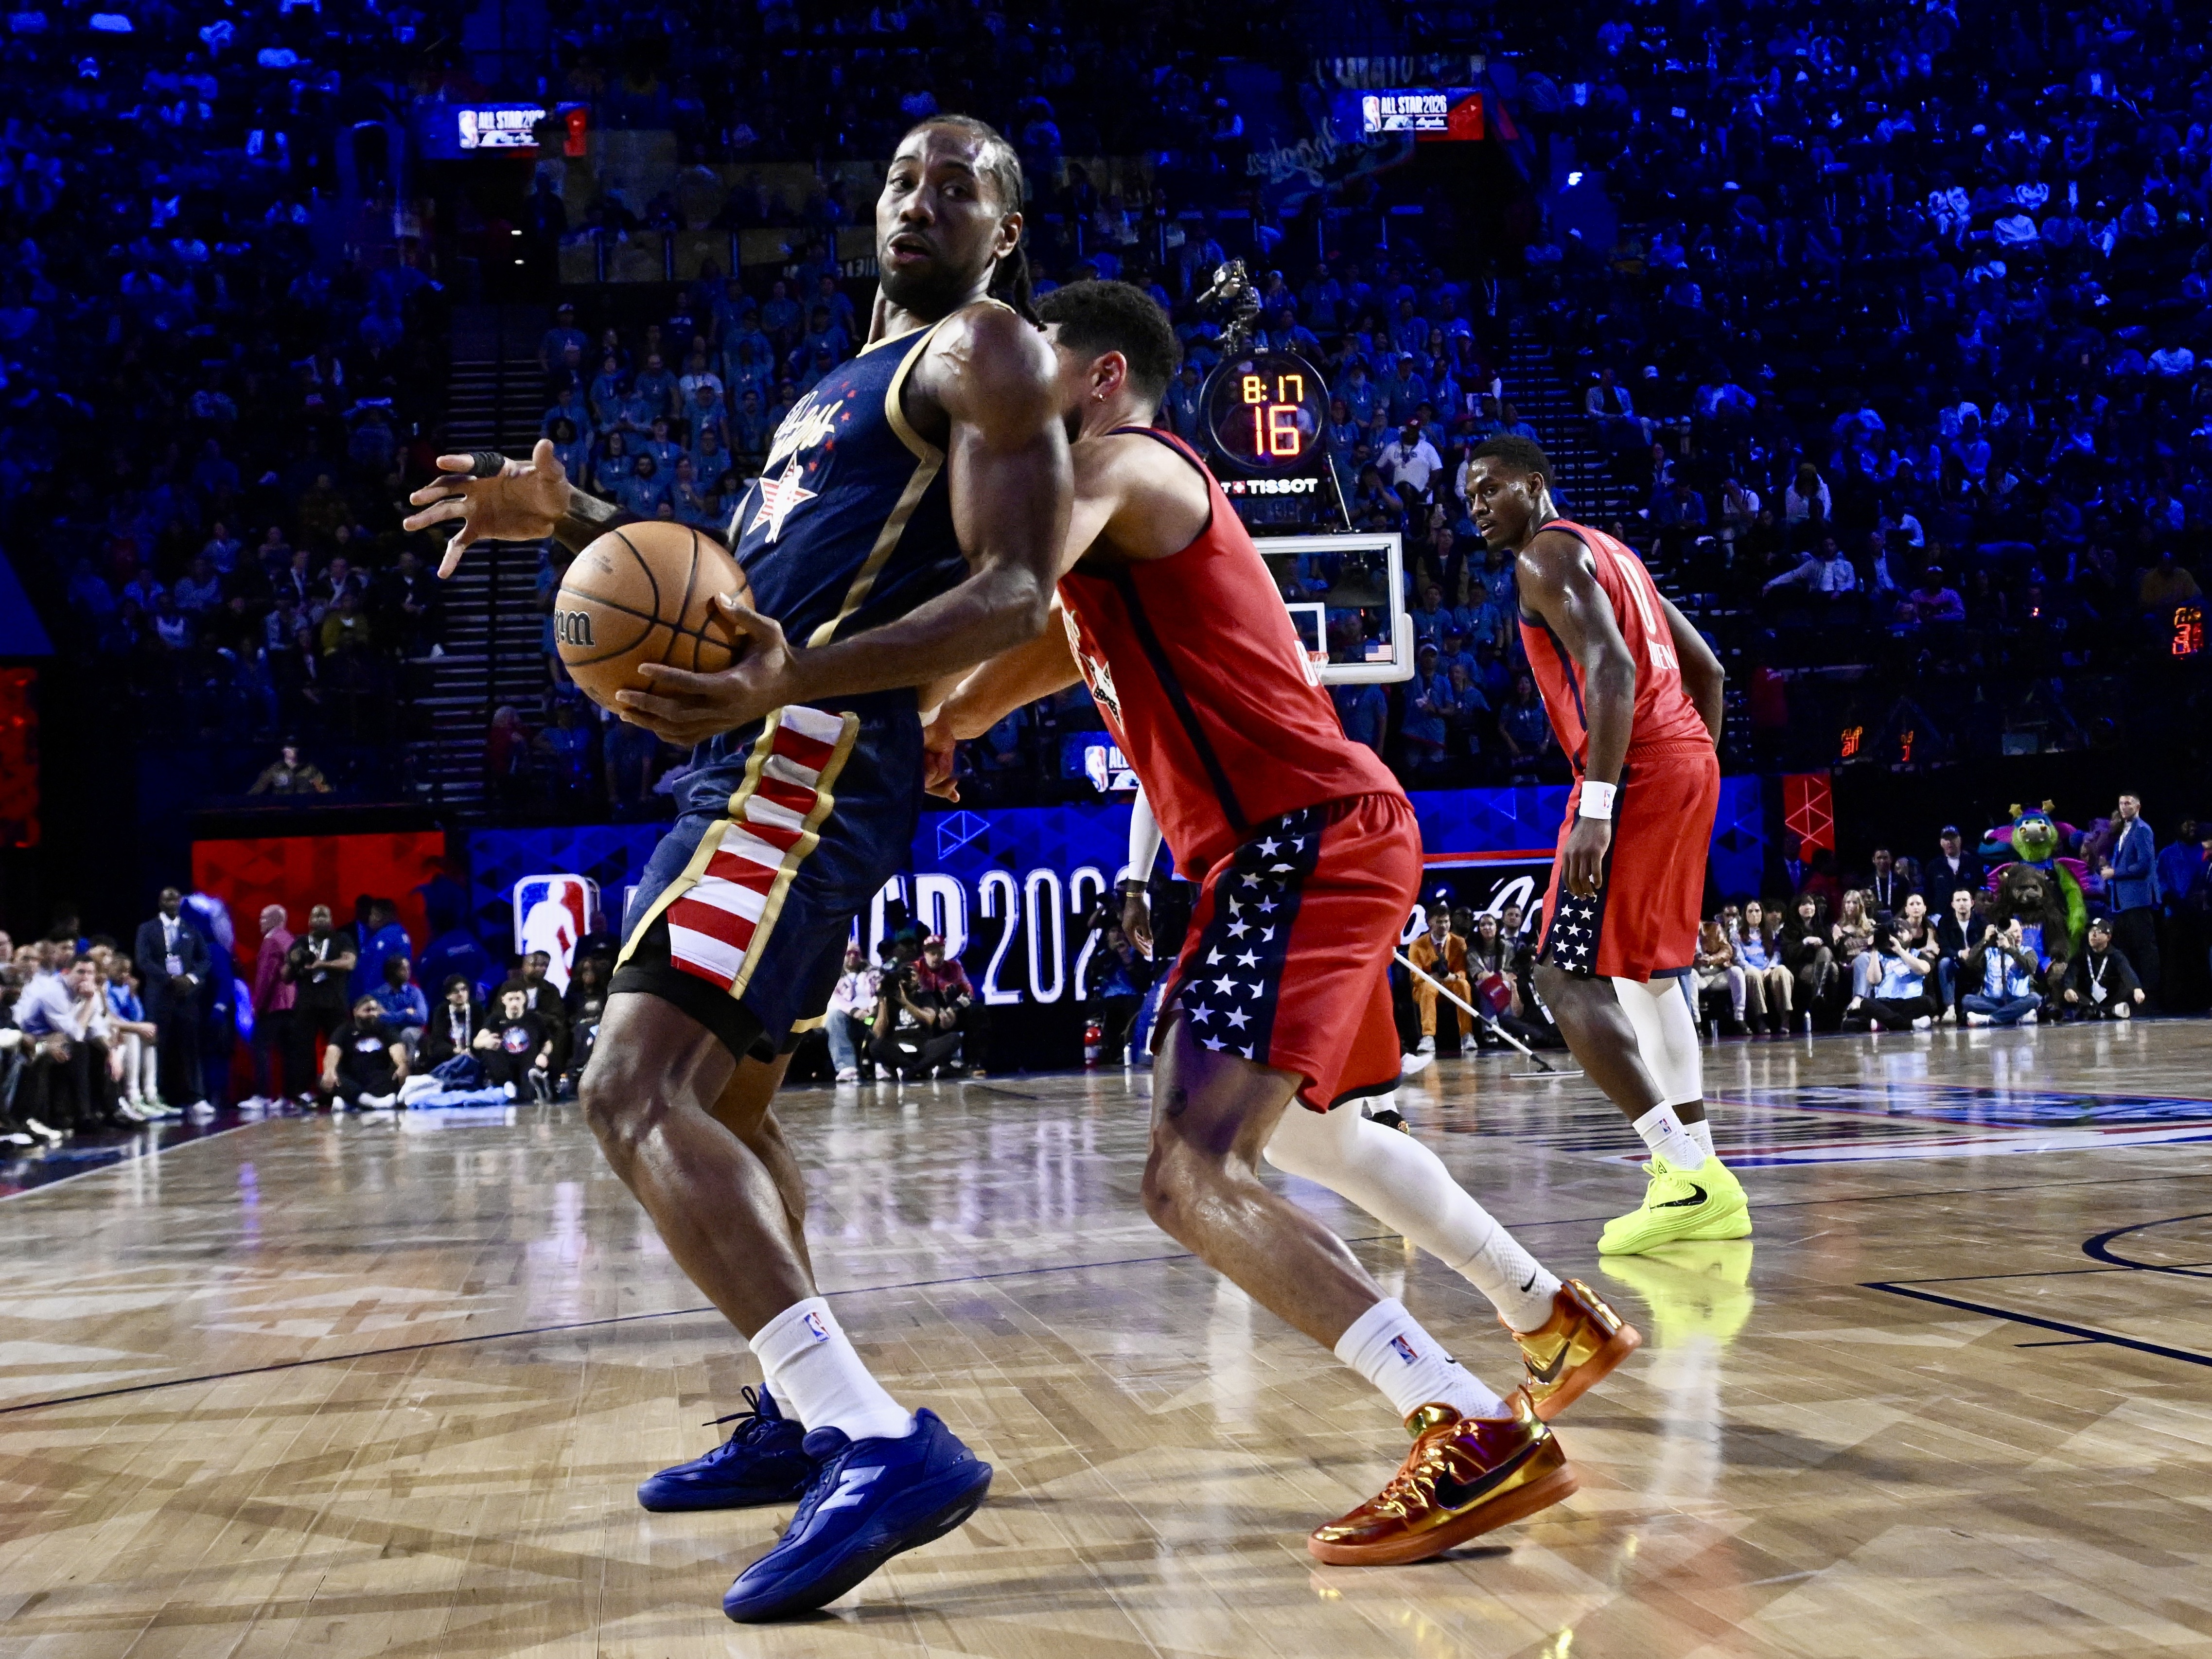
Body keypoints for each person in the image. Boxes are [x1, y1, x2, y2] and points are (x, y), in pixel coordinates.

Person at [404, 115, 1071, 1623]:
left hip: (805, 753)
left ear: (1006, 232)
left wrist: (793, 684)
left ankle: (869, 1435)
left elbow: (1017, 591)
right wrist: (575, 520)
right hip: (767, 743)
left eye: (960, 186)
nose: (921, 201)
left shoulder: (983, 346)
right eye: (902, 177)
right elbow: (740, 592)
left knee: (630, 1088)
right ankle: (793, 1414)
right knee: (725, 1103)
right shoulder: (837, 387)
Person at [928, 279, 1636, 1568]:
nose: (1008, 391)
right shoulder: (1115, 547)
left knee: (1187, 1167)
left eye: (1034, 364)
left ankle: (1465, 1420)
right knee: (1314, 1131)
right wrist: (953, 715)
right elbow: (1043, 648)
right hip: (1317, 839)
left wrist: (826, 674)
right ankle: (1545, 1312)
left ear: (1099, 379)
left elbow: (1013, 592)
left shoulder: (1125, 467)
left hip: (1297, 843)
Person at [1464, 434, 1750, 1253]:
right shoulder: (1615, 553)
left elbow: (1614, 670)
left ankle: (1683, 1173)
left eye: (1490, 489)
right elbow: (1709, 672)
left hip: (1634, 771)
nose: (1478, 507)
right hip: (1685, 760)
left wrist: (1600, 804)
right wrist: (1692, 765)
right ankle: (1704, 1172)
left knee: (1560, 975)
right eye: (1471, 497)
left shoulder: (1544, 558)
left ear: (1534, 484)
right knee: (1651, 975)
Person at [135, 887, 212, 1114]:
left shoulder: (191, 929)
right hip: (159, 997)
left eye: (176, 899)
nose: (172, 903)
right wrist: (169, 979)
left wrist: (191, 979)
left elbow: (205, 960)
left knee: (189, 1047)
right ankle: (155, 1095)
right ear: (160, 902)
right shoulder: (147, 929)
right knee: (158, 1046)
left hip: (186, 998)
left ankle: (196, 1097)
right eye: (167, 899)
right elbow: (143, 960)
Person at [2101, 793, 2159, 1006]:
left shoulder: (2143, 829)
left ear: (2138, 807)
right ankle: (2133, 993)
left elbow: (2144, 864)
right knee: (2127, 949)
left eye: (2128, 803)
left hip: (2138, 899)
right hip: (2123, 902)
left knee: (2145, 949)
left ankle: (2151, 995)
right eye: (2121, 803)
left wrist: (2115, 873)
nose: (2124, 807)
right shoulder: (2124, 830)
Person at [288, 904, 357, 1072]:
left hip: (335, 1003)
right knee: (302, 1050)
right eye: (316, 916)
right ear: (309, 921)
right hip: (307, 1004)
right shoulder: (301, 942)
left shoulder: (342, 939)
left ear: (331, 920)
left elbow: (350, 963)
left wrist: (323, 964)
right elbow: (286, 974)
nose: (320, 919)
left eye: (324, 916)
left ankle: (341, 1084)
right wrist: (295, 961)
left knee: (339, 1047)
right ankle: (304, 1087)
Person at [1842, 921, 1941, 1031]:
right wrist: (1875, 949)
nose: (1898, 935)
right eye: (1895, 933)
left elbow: (1924, 969)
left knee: (1929, 1003)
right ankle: (1909, 1024)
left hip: (1911, 1003)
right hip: (1886, 1003)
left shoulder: (1917, 954)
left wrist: (1900, 951)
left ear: (1911, 936)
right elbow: (1873, 980)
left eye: (1902, 931)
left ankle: (1884, 1023)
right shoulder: (1881, 957)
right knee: (1866, 1004)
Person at [909, 933, 985, 1072]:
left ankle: (974, 1062)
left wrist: (953, 1009)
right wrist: (935, 1011)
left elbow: (969, 994)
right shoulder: (915, 969)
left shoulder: (955, 968)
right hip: (925, 1013)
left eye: (940, 953)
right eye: (933, 954)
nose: (936, 957)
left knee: (978, 1010)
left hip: (951, 1011)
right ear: (925, 954)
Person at [248, 904, 300, 1106]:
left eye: (263, 918)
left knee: (260, 1046)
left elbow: (266, 976)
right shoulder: (289, 939)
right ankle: (289, 1097)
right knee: (289, 1051)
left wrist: (257, 1004)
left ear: (275, 920)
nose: (260, 922)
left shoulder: (271, 940)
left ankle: (262, 1096)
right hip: (291, 1004)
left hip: (275, 1004)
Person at [321, 993, 408, 1110]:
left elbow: (397, 1048)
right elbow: (333, 1051)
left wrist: (402, 1065)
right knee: (327, 1077)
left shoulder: (386, 1029)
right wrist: (330, 1071)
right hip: (353, 1079)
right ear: (356, 1012)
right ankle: (370, 1102)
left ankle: (352, 1102)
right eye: (368, 1010)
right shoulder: (344, 1030)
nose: (373, 1014)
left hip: (378, 1077)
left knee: (397, 1074)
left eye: (375, 1010)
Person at [1405, 902, 1473, 1052]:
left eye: (1446, 921)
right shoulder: (1416, 945)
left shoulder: (1459, 942)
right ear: (1430, 923)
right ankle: (1428, 1037)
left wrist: (1453, 977)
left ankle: (1467, 1035)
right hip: (1428, 985)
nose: (1444, 926)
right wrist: (1434, 978)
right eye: (1439, 922)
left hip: (1451, 983)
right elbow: (1416, 977)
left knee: (1464, 985)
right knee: (1427, 987)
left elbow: (1462, 971)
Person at [475, 982, 557, 1099]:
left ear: (524, 999)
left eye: (518, 999)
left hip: (528, 1063)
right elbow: (476, 1042)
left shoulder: (534, 1019)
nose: (514, 1003)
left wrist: (544, 1055)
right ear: (503, 1000)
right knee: (488, 1051)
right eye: (511, 999)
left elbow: (547, 1043)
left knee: (528, 1092)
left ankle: (537, 1087)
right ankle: (507, 1085)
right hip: (505, 1066)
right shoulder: (495, 1019)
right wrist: (486, 1042)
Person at [1964, 918, 2043, 1026]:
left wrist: (2009, 949)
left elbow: (2030, 968)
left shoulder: (2028, 951)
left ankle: (1989, 1019)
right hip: (1992, 1000)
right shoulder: (1991, 952)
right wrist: (1985, 940)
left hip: (2018, 999)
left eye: (2021, 932)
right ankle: (2017, 1015)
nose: (2019, 935)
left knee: (2035, 998)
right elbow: (1970, 963)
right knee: (1967, 1000)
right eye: (2015, 932)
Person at [2064, 918, 2145, 1020]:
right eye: (2091, 931)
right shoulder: (2082, 955)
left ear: (2108, 937)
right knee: (2069, 991)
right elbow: (2071, 972)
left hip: (2110, 997)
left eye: (2098, 932)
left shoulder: (2115, 955)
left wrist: (2137, 989)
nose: (2093, 935)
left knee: (2126, 989)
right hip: (2088, 998)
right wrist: (2069, 988)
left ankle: (2101, 1011)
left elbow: (2127, 972)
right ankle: (2105, 1011)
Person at [1731, 900, 1792, 1035]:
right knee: (1753, 975)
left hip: (1768, 969)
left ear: (1762, 914)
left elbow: (1777, 954)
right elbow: (1739, 959)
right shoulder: (1737, 936)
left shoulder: (1770, 933)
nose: (1754, 914)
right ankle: (1760, 1020)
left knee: (1782, 971)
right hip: (1751, 970)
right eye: (1750, 911)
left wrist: (1770, 969)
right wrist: (1756, 970)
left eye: (1757, 911)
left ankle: (1785, 1018)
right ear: (1745, 915)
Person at [823, 943, 878, 1082]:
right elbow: (833, 998)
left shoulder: (873, 974)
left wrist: (873, 1008)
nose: (853, 957)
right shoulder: (833, 976)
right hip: (847, 1018)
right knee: (834, 1015)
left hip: (870, 1017)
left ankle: (882, 1064)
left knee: (884, 1012)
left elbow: (880, 991)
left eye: (856, 954)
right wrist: (855, 1011)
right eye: (849, 953)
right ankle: (847, 1067)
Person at [1932, 887, 1983, 1016]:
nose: (1962, 904)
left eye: (1965, 900)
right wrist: (1960, 954)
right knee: (1944, 963)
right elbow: (1944, 947)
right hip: (1956, 961)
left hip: (1977, 962)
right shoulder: (1945, 922)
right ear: (1953, 904)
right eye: (1958, 900)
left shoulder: (1981, 922)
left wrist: (1973, 955)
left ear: (1972, 903)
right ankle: (1950, 1008)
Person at [1692, 918, 1745, 1037]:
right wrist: (1696, 960)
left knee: (1737, 972)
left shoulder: (1714, 928)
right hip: (1699, 976)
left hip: (1718, 973)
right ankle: (1697, 1023)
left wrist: (1712, 959)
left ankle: (1740, 1018)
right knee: (1690, 976)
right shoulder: (1682, 933)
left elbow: (1727, 950)